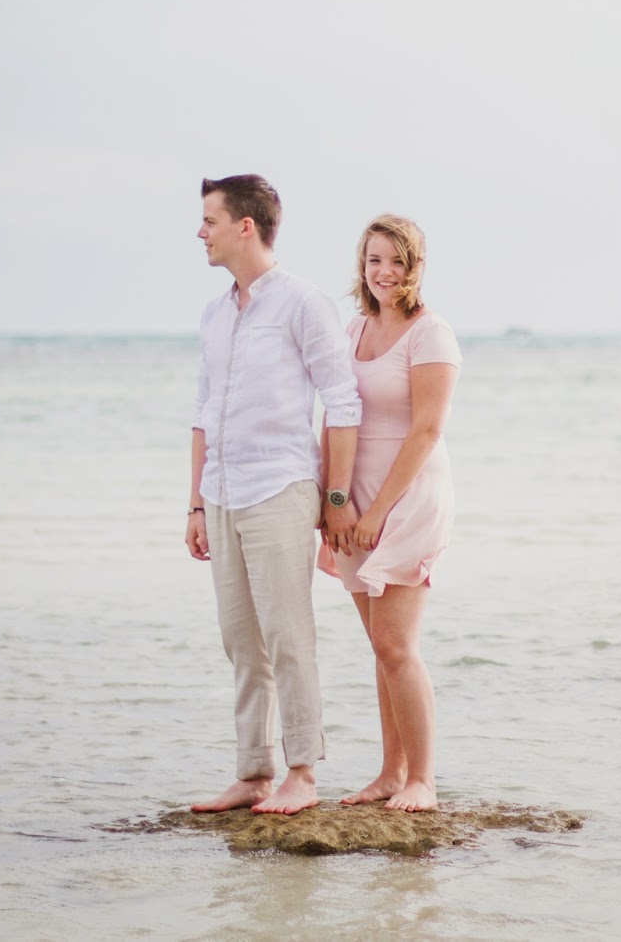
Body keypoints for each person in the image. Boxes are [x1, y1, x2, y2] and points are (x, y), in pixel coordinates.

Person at [185, 174, 361, 815]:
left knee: (289, 635)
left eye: (209, 220)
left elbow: (343, 403)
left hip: (281, 488)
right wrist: (197, 504)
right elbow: (204, 411)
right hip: (224, 494)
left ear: (245, 227)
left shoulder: (304, 304)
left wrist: (335, 501)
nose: (200, 233)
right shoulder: (213, 313)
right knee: (240, 639)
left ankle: (304, 773)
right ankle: (253, 772)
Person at [318, 215, 461, 813]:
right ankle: (388, 774)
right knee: (380, 646)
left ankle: (422, 780)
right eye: (374, 260)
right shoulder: (351, 329)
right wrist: (336, 501)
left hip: (408, 498)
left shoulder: (432, 334)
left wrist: (377, 510)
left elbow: (427, 429)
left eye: (397, 261)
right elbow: (335, 414)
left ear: (416, 266)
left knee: (399, 645)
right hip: (355, 500)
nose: (384, 272)